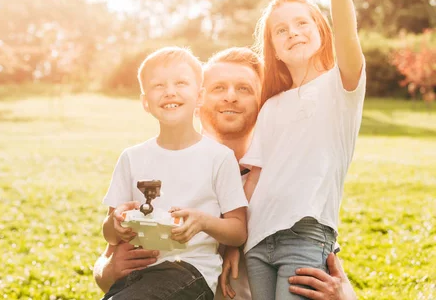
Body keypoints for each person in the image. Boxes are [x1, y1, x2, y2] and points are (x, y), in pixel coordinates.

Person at [95, 47, 358, 300]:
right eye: (219, 87)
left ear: (263, 100)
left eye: (244, 88)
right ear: (202, 96)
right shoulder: (154, 160)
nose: (230, 96)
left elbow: (317, 255)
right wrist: (107, 270)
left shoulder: (283, 180)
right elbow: (109, 259)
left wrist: (345, 295)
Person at [237, 0, 366, 300]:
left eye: (302, 23)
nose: (293, 32)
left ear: (321, 32)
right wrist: (234, 244)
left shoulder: (341, 88)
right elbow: (253, 181)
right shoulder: (271, 106)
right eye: (281, 30)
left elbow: (349, 37)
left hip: (306, 234)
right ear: (274, 49)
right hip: (257, 242)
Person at [100, 46, 248, 299]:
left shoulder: (219, 158)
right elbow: (109, 234)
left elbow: (238, 231)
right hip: (138, 273)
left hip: (190, 272)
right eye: (158, 86)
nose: (170, 91)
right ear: (145, 102)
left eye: (181, 83)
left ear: (199, 97)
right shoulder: (131, 158)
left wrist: (203, 222)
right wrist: (117, 224)